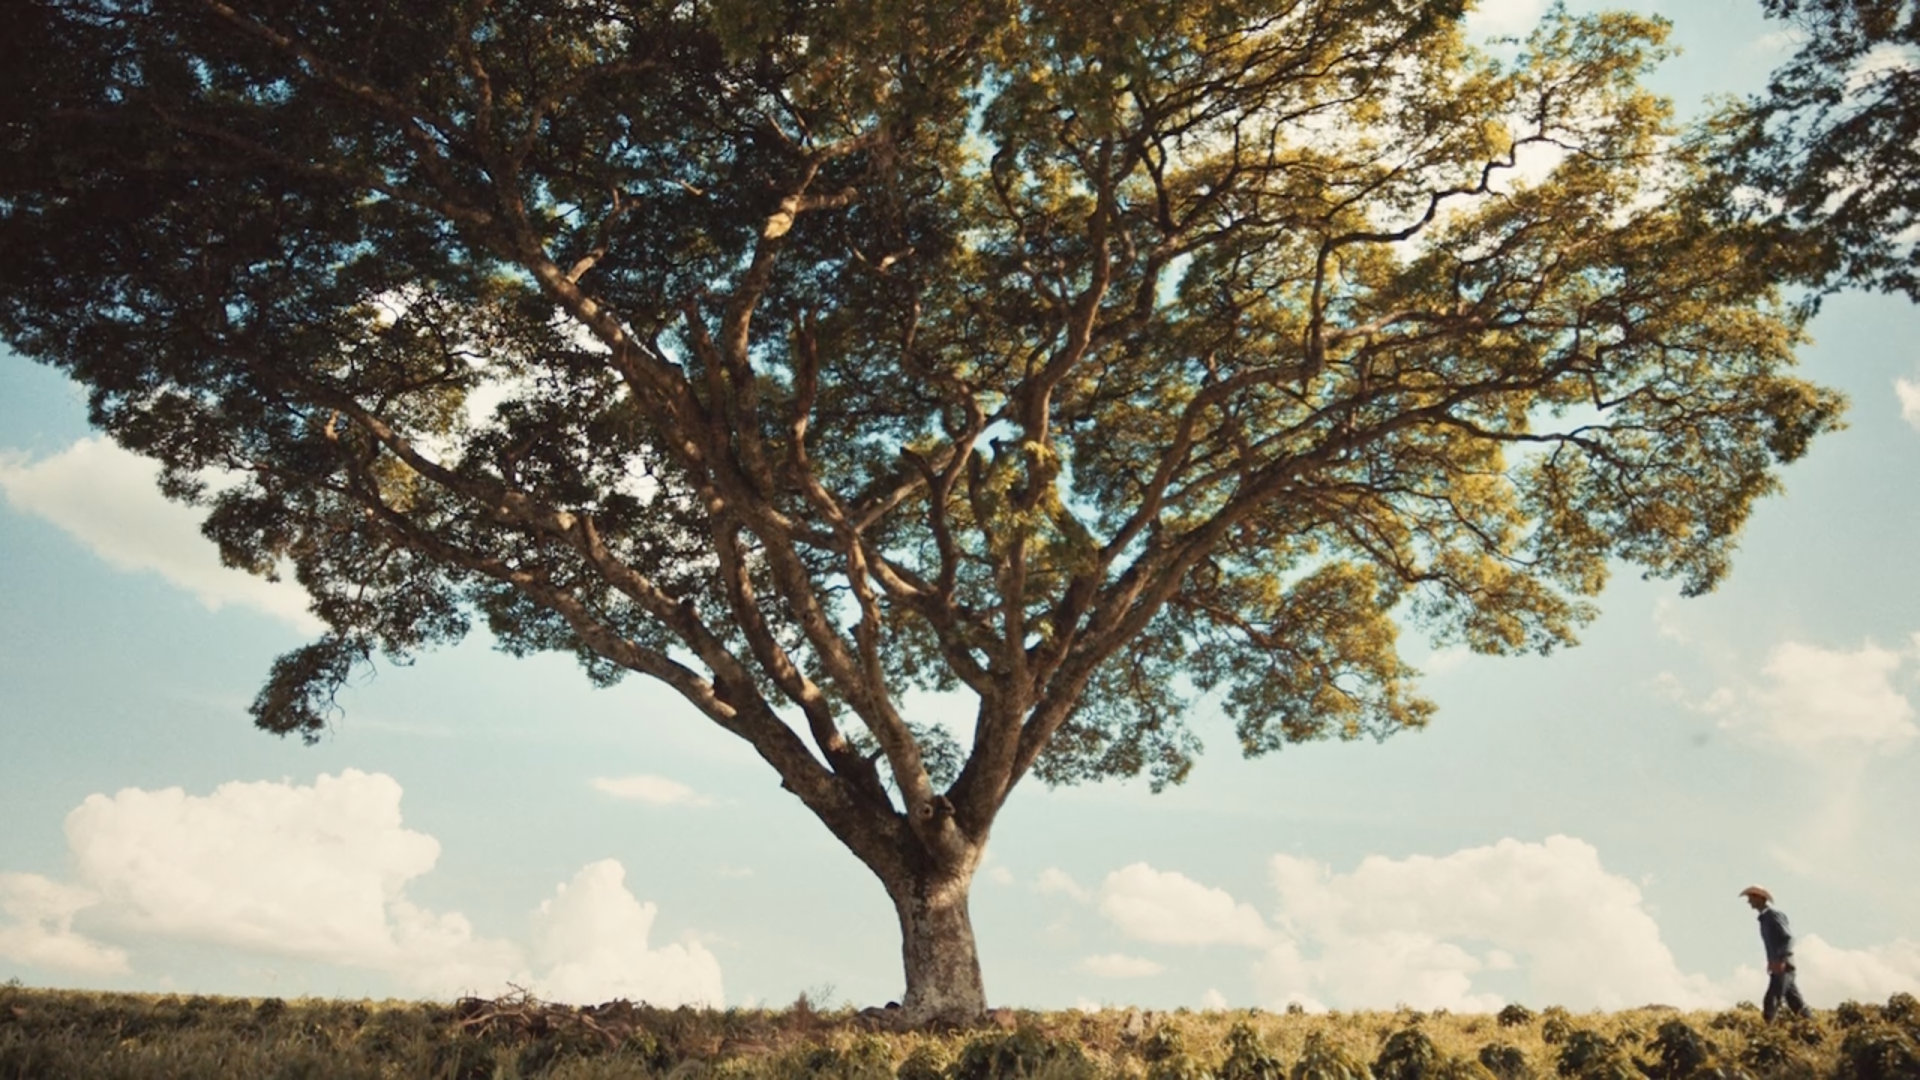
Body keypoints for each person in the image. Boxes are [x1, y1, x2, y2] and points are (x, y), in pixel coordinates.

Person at [1741, 886, 1810, 1021]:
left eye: (1751, 898)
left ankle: (1768, 1030)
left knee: (1771, 999)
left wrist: (1781, 960)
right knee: (1796, 1003)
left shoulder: (1773, 916)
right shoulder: (1764, 919)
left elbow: (1789, 938)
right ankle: (1813, 1027)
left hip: (1783, 966)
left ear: (1761, 898)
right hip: (1779, 965)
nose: (1749, 902)